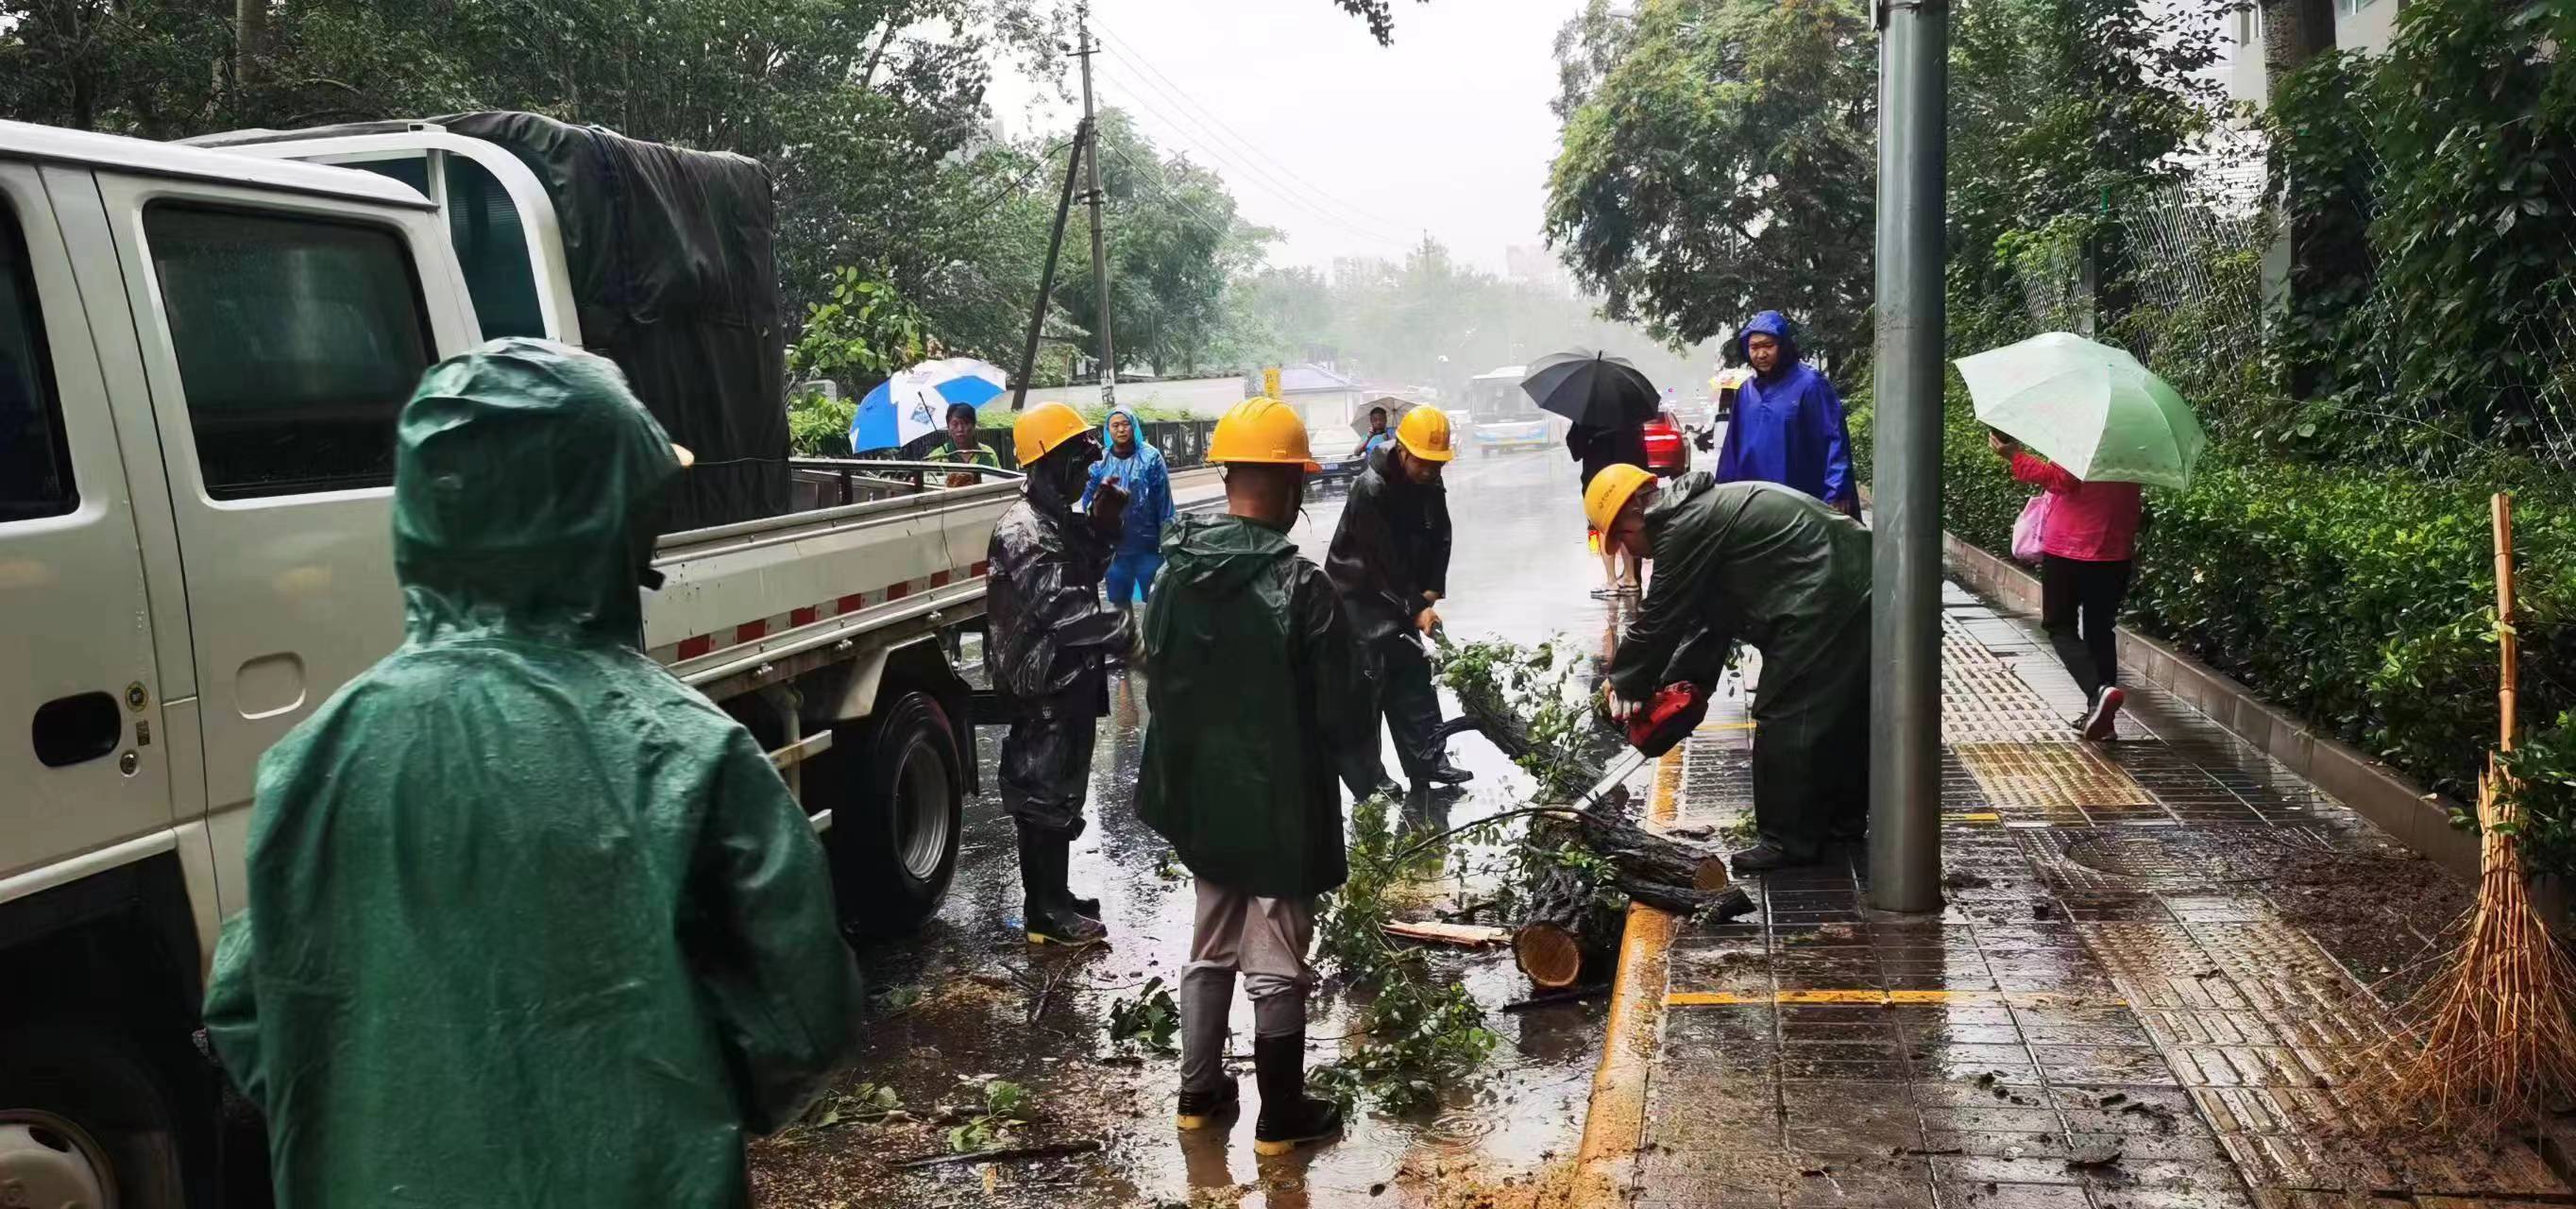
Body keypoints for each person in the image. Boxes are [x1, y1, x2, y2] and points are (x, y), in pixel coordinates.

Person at [202, 339, 859, 1208]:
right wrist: (659, 1098)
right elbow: (805, 1017)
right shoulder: (681, 749)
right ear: (607, 519)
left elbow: (247, 1010)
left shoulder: (317, 755)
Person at [1139, 395, 1373, 1157]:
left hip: (1203, 795)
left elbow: (1160, 678)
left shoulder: (1175, 575)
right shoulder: (1299, 586)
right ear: (1283, 483)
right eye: (1299, 479)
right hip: (1278, 799)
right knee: (1276, 948)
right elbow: (1343, 702)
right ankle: (1281, 1116)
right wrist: (1365, 774)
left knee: (1212, 933)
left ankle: (1199, 1093)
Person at [1588, 464, 1872, 873]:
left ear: (1636, 510)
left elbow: (1660, 617)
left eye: (1624, 538)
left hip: (1828, 594)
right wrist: (1681, 689)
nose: (1631, 552)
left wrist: (1627, 684)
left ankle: (1787, 842)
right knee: (1834, 714)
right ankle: (1839, 821)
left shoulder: (1684, 526)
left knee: (1788, 715)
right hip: (1845, 583)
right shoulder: (1697, 514)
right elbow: (1705, 621)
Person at [989, 400, 1132, 945]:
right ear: (1046, 462)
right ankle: (1043, 912)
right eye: (1075, 457)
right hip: (1042, 680)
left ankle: (1056, 894)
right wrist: (1134, 640)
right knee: (1042, 794)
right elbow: (1063, 608)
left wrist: (1102, 525)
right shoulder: (1024, 529)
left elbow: (1086, 568)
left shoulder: (1054, 519)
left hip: (1066, 677)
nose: (1085, 468)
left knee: (1062, 788)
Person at [1329, 405, 1472, 793]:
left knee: (1413, 674)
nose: (1430, 471)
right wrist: (1415, 605)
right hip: (1359, 595)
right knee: (1369, 685)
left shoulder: (1431, 481)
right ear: (1403, 452)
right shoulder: (1370, 488)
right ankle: (1370, 780)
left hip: (1403, 590)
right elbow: (1381, 561)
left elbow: (1441, 535)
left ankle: (1428, 760)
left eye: (1437, 465)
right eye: (1424, 464)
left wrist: (1432, 588)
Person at [1991, 429, 2142, 740]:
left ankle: (2098, 692)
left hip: (2070, 549)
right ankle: (2103, 719)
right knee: (2100, 628)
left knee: (2060, 626)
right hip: (2115, 550)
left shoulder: (2081, 434)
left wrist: (2014, 456)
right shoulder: (2133, 441)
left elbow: (2061, 480)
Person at [1715, 310, 1859, 518]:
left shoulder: (1810, 385)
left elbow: (1834, 440)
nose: (1761, 354)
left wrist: (1838, 491)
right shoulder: (1746, 392)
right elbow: (1732, 451)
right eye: (1754, 347)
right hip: (1754, 504)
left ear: (1783, 347)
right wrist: (1722, 496)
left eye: (1768, 346)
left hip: (1803, 500)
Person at [1083, 405, 1177, 606]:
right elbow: (1085, 499)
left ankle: (1153, 638)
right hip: (1114, 550)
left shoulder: (1151, 458)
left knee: (1156, 601)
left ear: (1134, 426)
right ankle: (1127, 637)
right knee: (1118, 603)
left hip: (1148, 546)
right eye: (1115, 425)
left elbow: (1164, 502)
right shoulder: (1100, 461)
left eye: (1125, 424)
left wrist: (1169, 539)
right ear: (1108, 430)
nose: (1121, 429)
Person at [1569, 417, 1650, 596]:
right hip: (1627, 481)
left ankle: (1611, 582)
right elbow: (1641, 454)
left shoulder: (1587, 417)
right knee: (1627, 527)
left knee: (1603, 527)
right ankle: (1630, 579)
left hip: (1599, 482)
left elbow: (1576, 451)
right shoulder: (1631, 416)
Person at [932, 400, 1002, 488]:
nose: (960, 429)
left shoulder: (988, 454)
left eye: (965, 423)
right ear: (948, 428)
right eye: (955, 424)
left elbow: (999, 484)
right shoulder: (937, 457)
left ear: (974, 426)